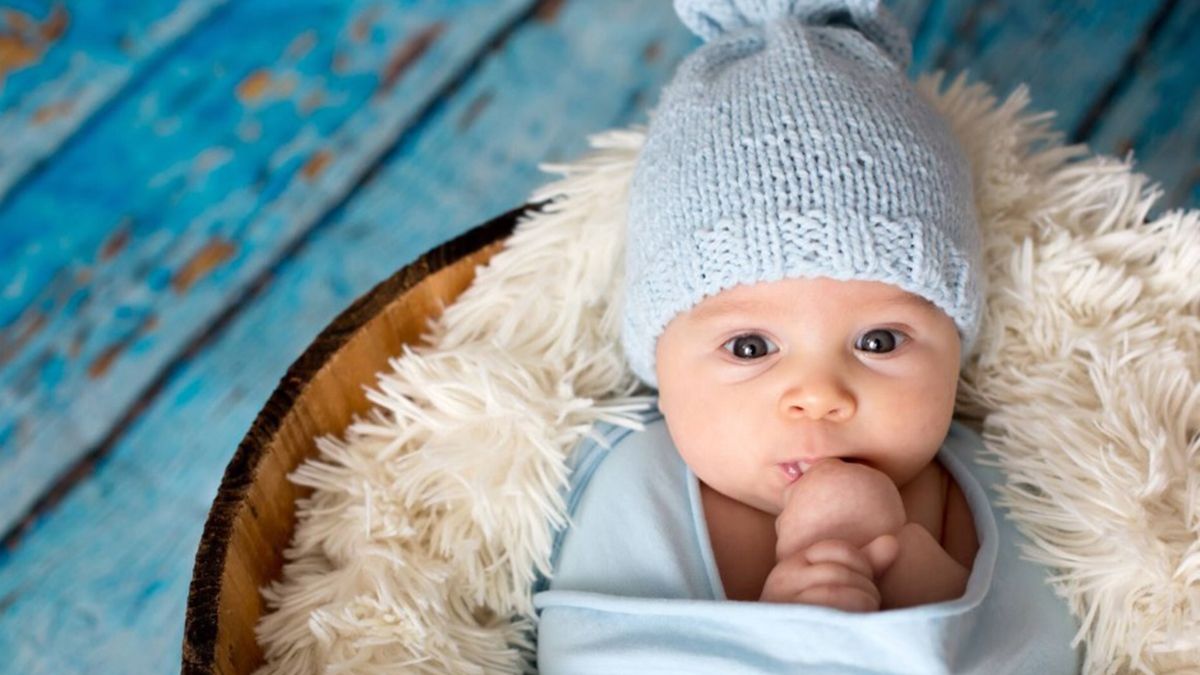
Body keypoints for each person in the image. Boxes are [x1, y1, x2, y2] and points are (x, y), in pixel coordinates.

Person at [533, 0, 1082, 671]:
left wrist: (918, 595)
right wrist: (793, 633)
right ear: (661, 364)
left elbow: (1067, 637)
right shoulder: (627, 481)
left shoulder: (1010, 482)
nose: (819, 396)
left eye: (880, 341)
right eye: (749, 347)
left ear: (955, 342)